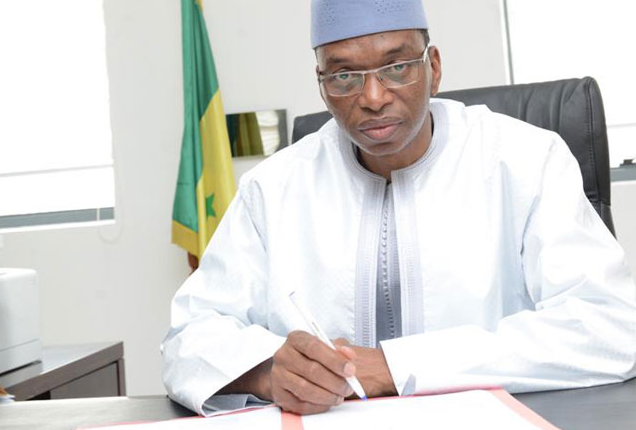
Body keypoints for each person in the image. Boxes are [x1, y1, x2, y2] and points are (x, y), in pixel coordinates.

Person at [161, 0, 636, 416]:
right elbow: (189, 336)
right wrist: (266, 372)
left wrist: (395, 366)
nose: (372, 98)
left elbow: (610, 325)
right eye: (344, 76)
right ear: (321, 85)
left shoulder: (525, 160)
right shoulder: (273, 187)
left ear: (434, 67)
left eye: (396, 67)